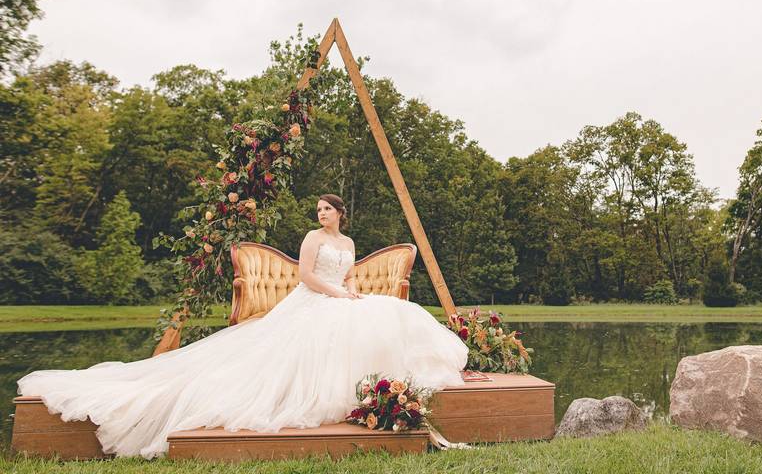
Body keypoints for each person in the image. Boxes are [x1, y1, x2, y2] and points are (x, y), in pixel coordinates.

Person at [17, 193, 468, 459]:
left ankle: (380, 388)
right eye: (317, 210)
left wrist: (351, 289)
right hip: (313, 299)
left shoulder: (347, 241)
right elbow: (307, 277)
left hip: (339, 295)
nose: (320, 215)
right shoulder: (311, 240)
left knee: (390, 314)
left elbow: (345, 273)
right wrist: (336, 293)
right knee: (298, 345)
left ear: (339, 213)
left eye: (326, 210)